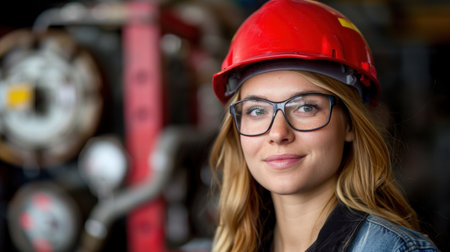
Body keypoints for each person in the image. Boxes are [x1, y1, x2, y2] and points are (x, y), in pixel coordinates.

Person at [208, 0, 439, 251]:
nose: (278, 133)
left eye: (306, 107)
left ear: (350, 124)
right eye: (256, 110)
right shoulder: (238, 245)